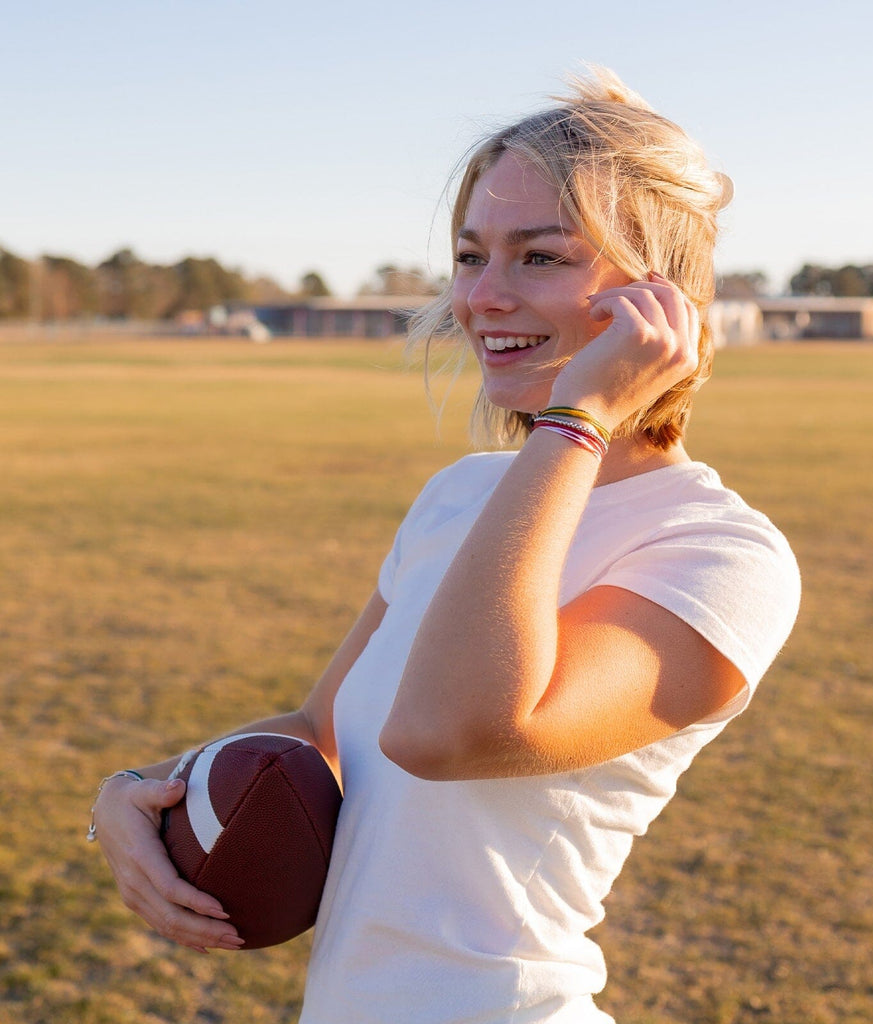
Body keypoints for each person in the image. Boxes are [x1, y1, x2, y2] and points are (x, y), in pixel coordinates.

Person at [92, 67, 800, 1022]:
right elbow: (322, 735)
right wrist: (141, 792)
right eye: (472, 256)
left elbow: (446, 732)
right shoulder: (460, 495)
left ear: (657, 298)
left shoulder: (724, 557)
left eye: (540, 257)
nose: (485, 298)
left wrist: (579, 416)